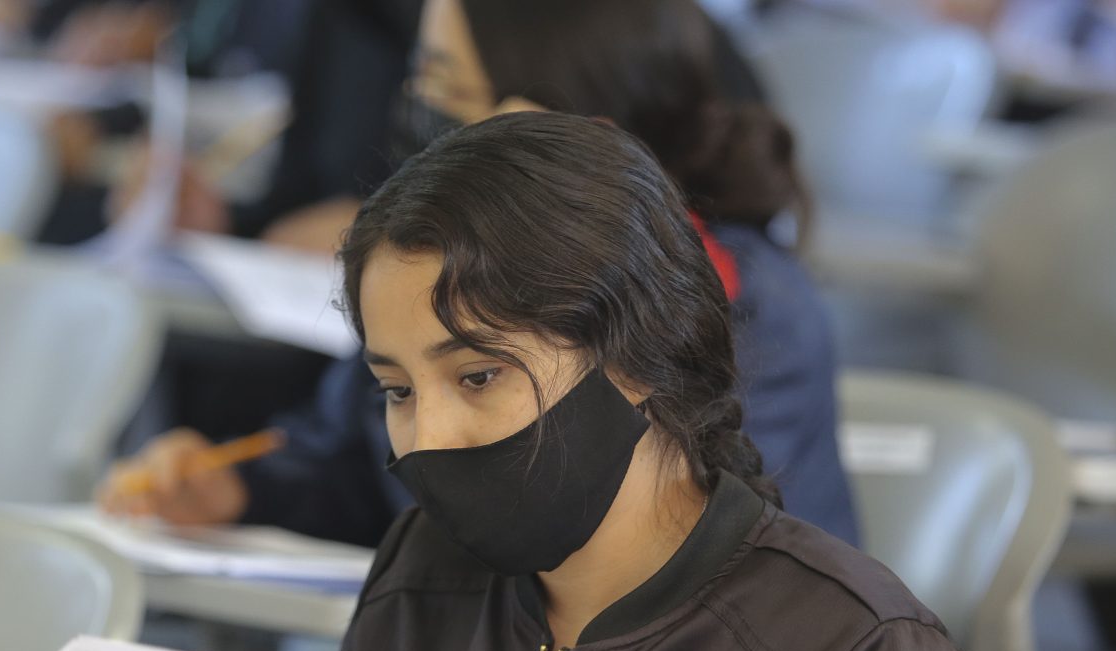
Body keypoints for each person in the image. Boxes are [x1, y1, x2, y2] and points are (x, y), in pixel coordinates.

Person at [330, 111, 1006, 651]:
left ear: (636, 353)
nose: (429, 437)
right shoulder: (426, 571)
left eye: (480, 375)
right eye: (397, 390)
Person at [101, 0, 860, 547]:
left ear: (572, 142)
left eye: (451, 101)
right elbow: (343, 455)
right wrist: (238, 485)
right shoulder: (433, 276)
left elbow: (687, 549)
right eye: (419, 94)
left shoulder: (742, 305)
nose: (423, 129)